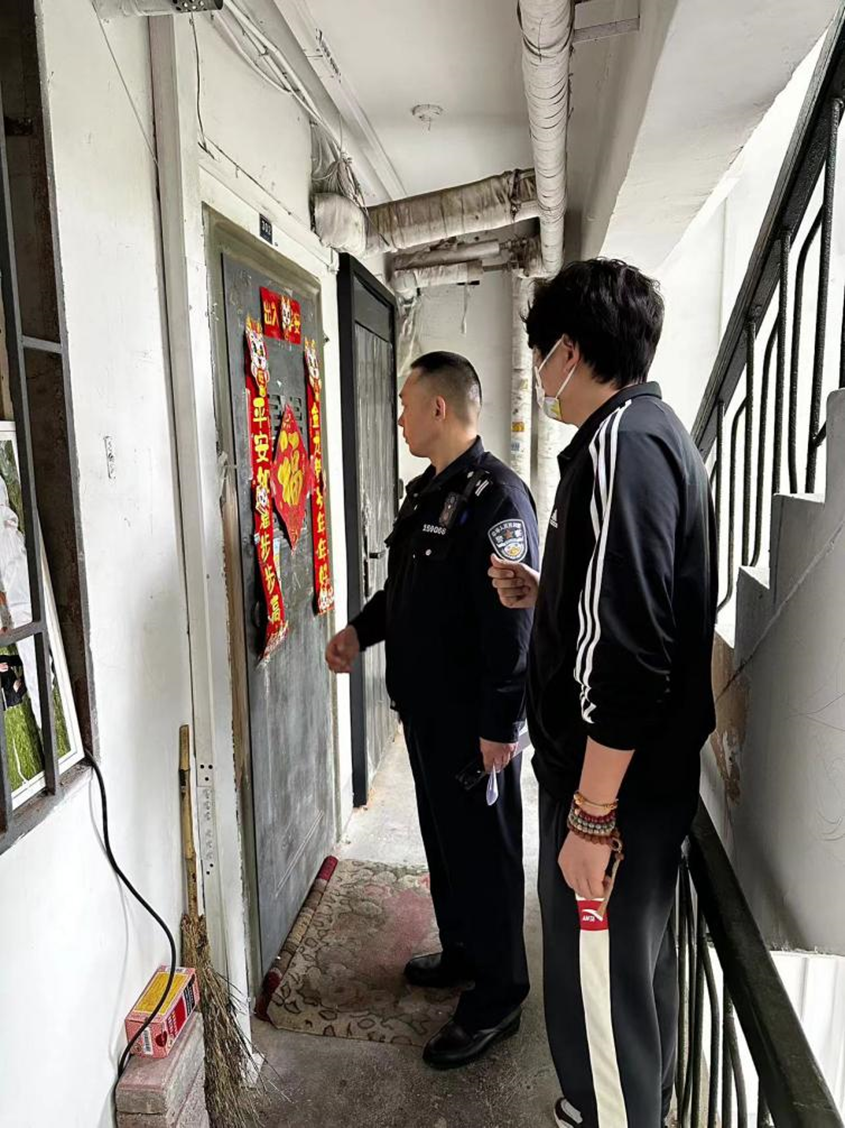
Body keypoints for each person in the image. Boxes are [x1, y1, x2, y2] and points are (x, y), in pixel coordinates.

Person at [490, 260, 718, 1128]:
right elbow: (619, 598)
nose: (539, 372)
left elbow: (630, 653)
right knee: (620, 998)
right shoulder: (644, 434)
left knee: (602, 1016)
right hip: (620, 788)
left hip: (610, 797)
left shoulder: (624, 441)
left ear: (569, 351)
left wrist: (589, 817)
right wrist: (545, 592)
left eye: (541, 353)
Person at [326, 350, 539, 1068]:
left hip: (474, 725)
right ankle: (464, 952)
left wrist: (500, 726)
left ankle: (499, 995)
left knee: (487, 855)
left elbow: (513, 626)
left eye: (405, 405)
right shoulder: (428, 493)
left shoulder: (498, 500)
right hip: (426, 716)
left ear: (438, 409)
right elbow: (406, 592)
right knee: (447, 846)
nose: (399, 418)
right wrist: (360, 631)